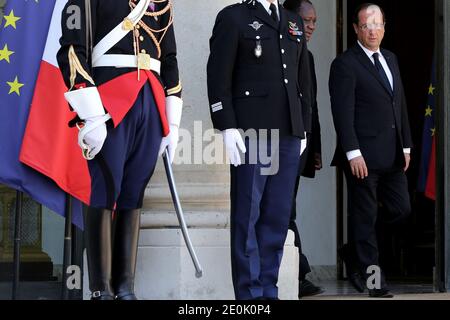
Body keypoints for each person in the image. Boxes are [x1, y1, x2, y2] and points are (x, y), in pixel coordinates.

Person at [57, 0, 183, 300]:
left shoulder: (159, 2)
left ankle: (125, 287)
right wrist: (91, 113)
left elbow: (171, 58)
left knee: (134, 191)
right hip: (110, 101)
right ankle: (102, 289)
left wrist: (173, 122)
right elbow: (73, 52)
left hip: (150, 101)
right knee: (105, 188)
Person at [207, 0, 312, 300]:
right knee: (247, 217)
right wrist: (226, 125)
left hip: (289, 135)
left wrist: (303, 126)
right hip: (252, 132)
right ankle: (249, 296)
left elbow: (302, 82)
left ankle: (269, 292)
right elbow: (218, 76)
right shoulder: (234, 17)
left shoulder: (292, 22)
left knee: (277, 219)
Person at [329, 3, 412, 298]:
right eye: (366, 26)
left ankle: (353, 252)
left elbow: (398, 104)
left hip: (391, 155)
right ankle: (375, 282)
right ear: (356, 29)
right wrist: (352, 152)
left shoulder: (390, 58)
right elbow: (342, 112)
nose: (372, 31)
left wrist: (406, 145)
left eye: (377, 25)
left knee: (401, 210)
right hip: (362, 158)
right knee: (365, 218)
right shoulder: (345, 64)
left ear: (385, 26)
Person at [283, 0, 323, 299]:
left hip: (302, 145)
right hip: (281, 141)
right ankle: (298, 274)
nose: (310, 26)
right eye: (305, 20)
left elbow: (311, 105)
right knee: (285, 209)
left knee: (288, 207)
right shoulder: (282, 48)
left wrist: (315, 148)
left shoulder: (306, 55)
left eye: (314, 22)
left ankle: (299, 273)